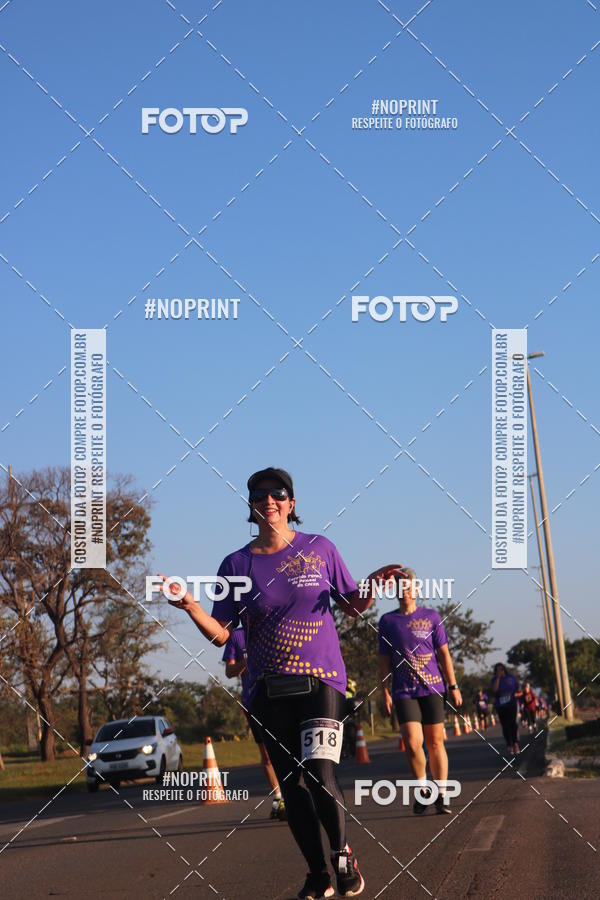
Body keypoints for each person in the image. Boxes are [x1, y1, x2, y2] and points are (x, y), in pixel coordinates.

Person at [163, 466, 399, 899]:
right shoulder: (237, 564)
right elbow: (222, 631)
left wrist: (373, 586)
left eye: (277, 493)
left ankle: (342, 856)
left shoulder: (320, 549)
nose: (268, 500)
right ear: (251, 507)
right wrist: (190, 606)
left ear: (291, 504)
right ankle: (317, 873)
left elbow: (351, 604)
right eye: (259, 494)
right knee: (291, 785)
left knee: (321, 771)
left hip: (323, 680)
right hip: (267, 688)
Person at [379, 568, 463, 816]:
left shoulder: (432, 617)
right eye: (399, 586)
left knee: (435, 741)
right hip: (404, 691)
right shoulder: (387, 621)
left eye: (407, 586)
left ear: (416, 589)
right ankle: (422, 789)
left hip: (433, 688)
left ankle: (441, 793)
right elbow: (384, 660)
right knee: (413, 744)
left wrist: (454, 685)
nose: (404, 590)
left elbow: (444, 654)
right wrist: (384, 691)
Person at [222, 627, 286, 819]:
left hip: (280, 696)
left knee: (287, 749)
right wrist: (247, 661)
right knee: (267, 755)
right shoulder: (236, 636)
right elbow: (229, 671)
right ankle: (279, 797)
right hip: (253, 701)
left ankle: (297, 793)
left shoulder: (277, 624)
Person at [490, 662, 522, 755]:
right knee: (505, 726)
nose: (500, 671)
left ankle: (515, 743)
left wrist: (518, 689)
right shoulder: (494, 680)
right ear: (495, 671)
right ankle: (509, 744)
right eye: (498, 670)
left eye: (502, 669)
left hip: (511, 704)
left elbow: (518, 688)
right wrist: (498, 678)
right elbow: (494, 690)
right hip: (501, 706)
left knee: (513, 724)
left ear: (505, 669)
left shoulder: (511, 678)